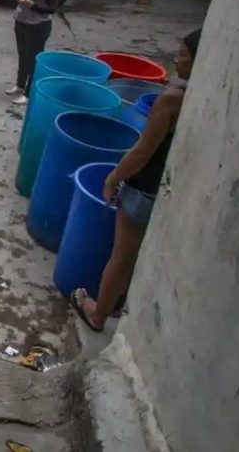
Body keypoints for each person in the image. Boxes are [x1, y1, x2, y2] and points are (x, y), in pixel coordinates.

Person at [71, 29, 201, 332]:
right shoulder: (214, 99)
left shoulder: (173, 101)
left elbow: (142, 151)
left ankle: (97, 313)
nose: (175, 58)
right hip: (178, 192)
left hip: (145, 191)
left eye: (182, 54)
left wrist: (113, 177)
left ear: (200, 62)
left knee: (122, 258)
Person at [7, 0, 62, 105]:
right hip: (21, 21)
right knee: (22, 54)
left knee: (33, 58)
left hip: (38, 25)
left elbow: (52, 8)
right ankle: (19, 84)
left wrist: (32, 5)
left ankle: (28, 92)